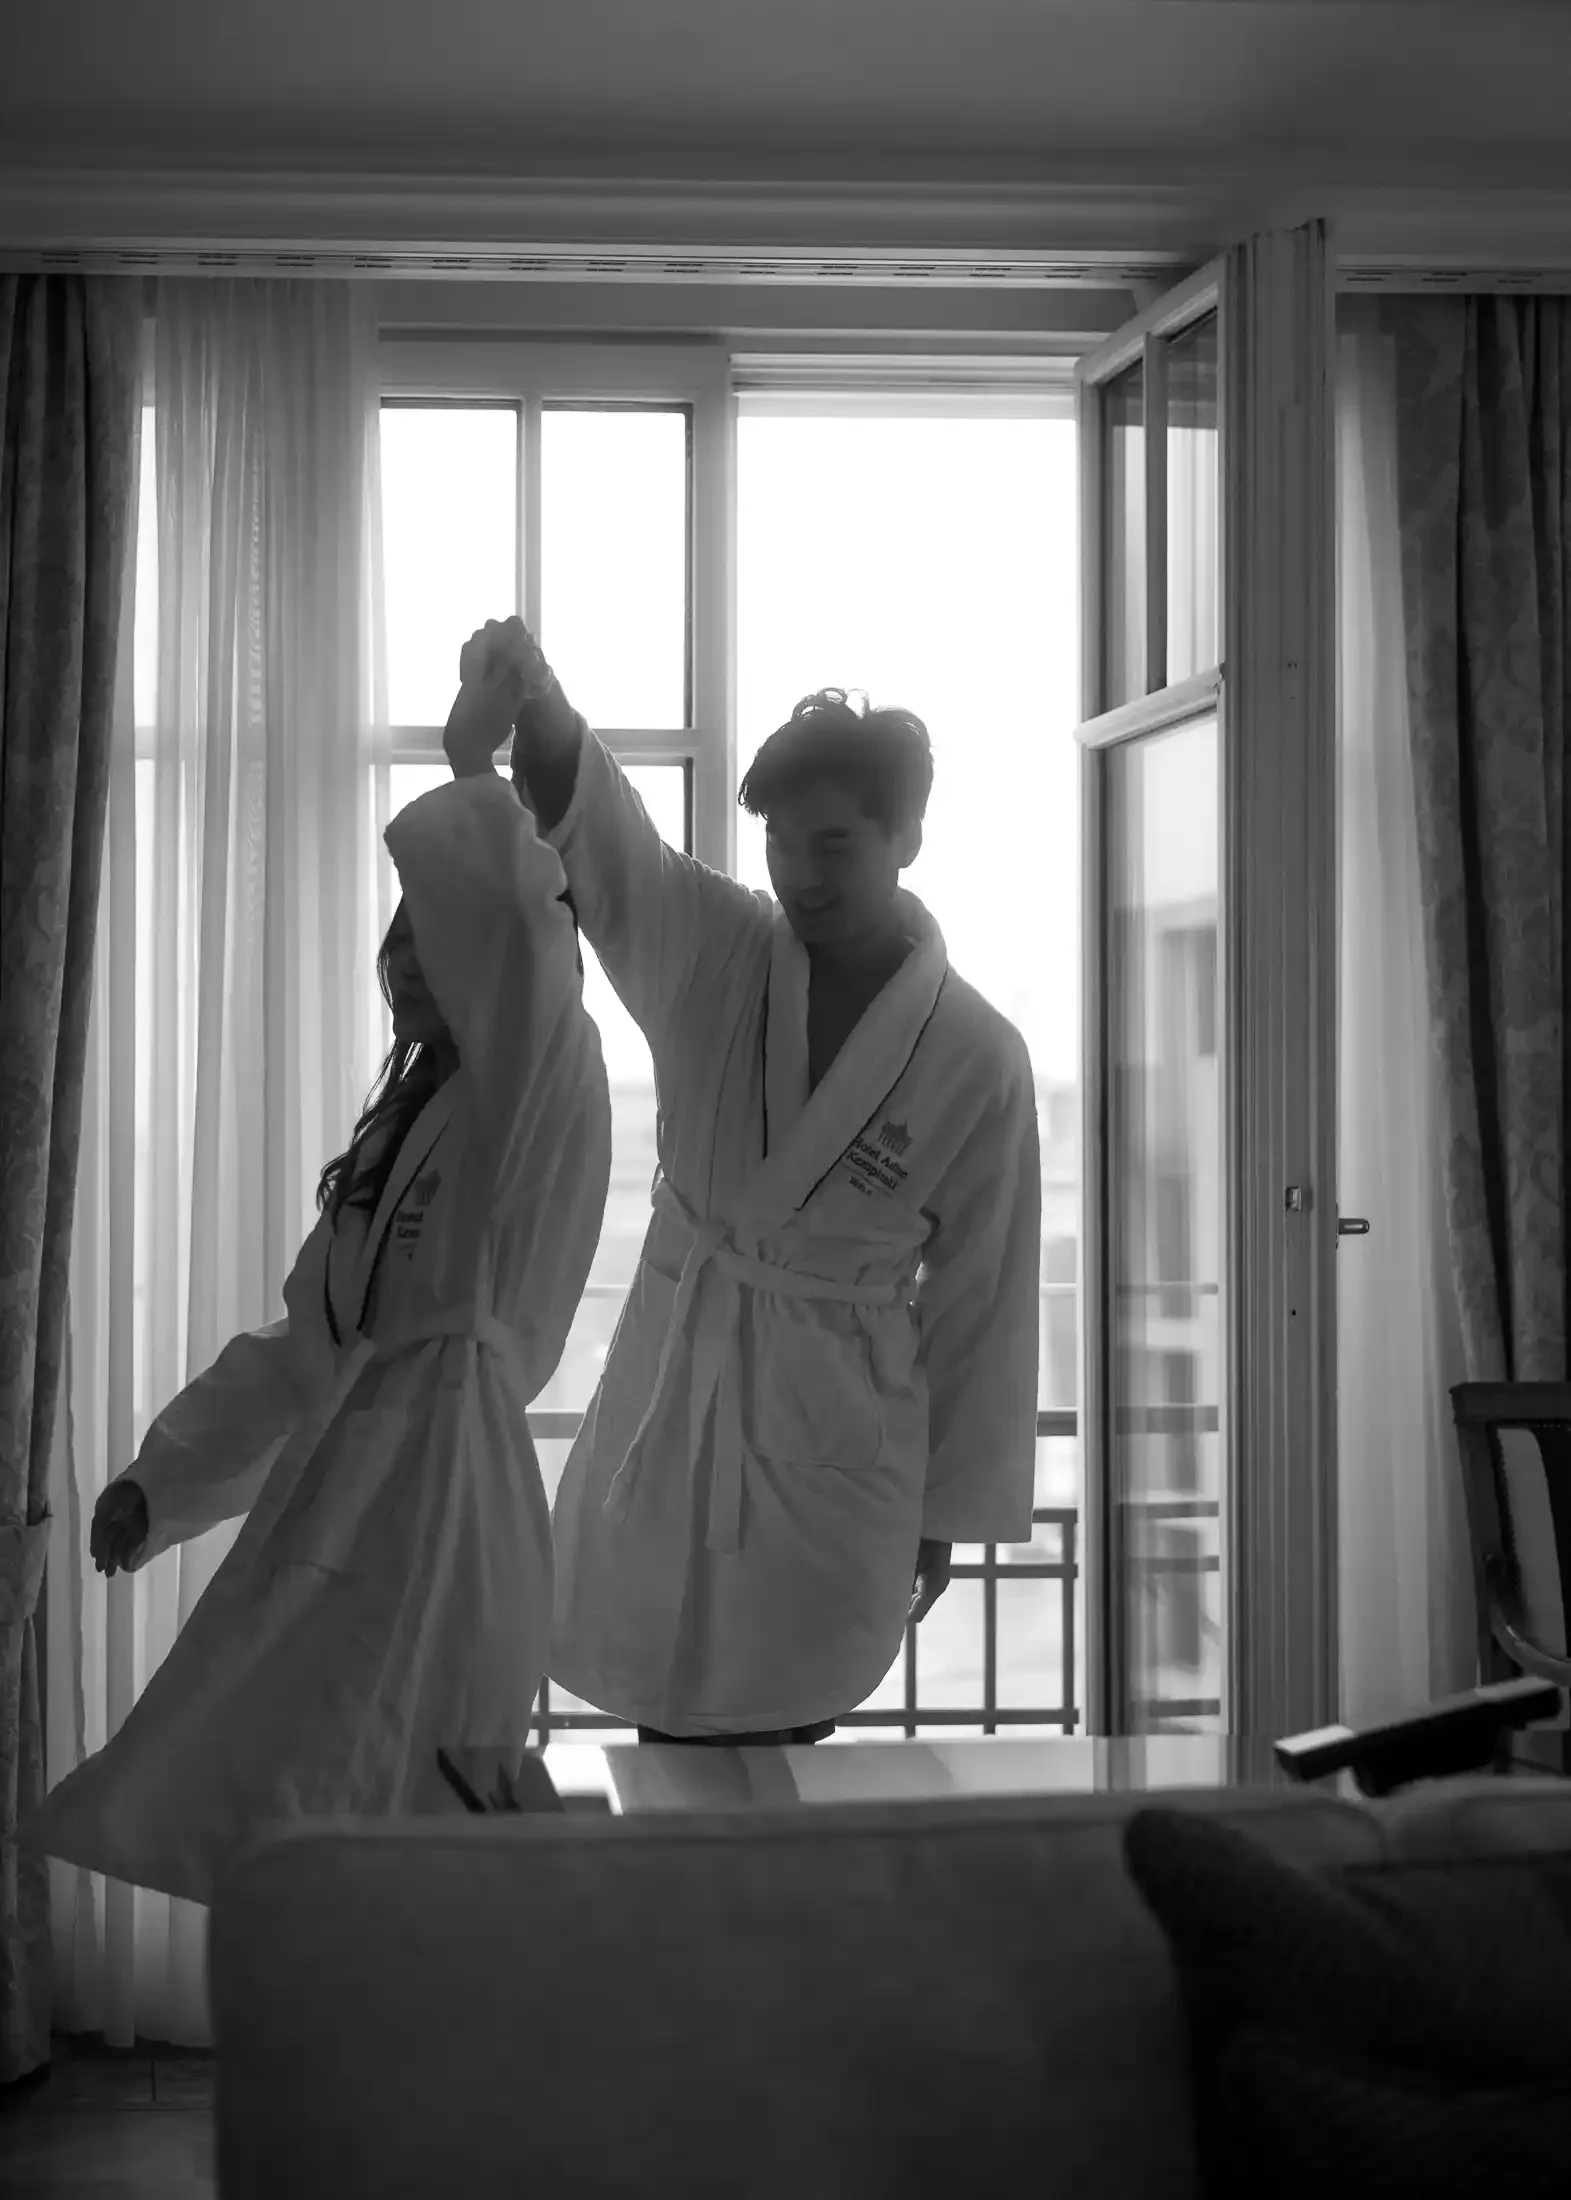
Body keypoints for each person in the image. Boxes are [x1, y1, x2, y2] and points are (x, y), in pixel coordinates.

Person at [21, 643, 611, 1904]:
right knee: (307, 1826)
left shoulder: (537, 1089)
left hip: (450, 1506)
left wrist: (469, 761)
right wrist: (162, 1480)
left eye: (430, 935)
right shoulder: (401, 1137)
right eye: (395, 941)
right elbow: (304, 1351)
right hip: (347, 1494)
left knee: (415, 1840)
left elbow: (523, 937)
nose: (405, 960)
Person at [488, 614, 1040, 1747]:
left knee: (784, 1716)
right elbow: (620, 859)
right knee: (665, 1706)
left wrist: (943, 1510)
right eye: (782, 845)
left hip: (835, 1417)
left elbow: (982, 1297)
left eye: (833, 845)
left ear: (907, 837)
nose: (800, 875)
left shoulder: (977, 1055)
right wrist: (538, 704)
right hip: (678, 1365)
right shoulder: (723, 948)